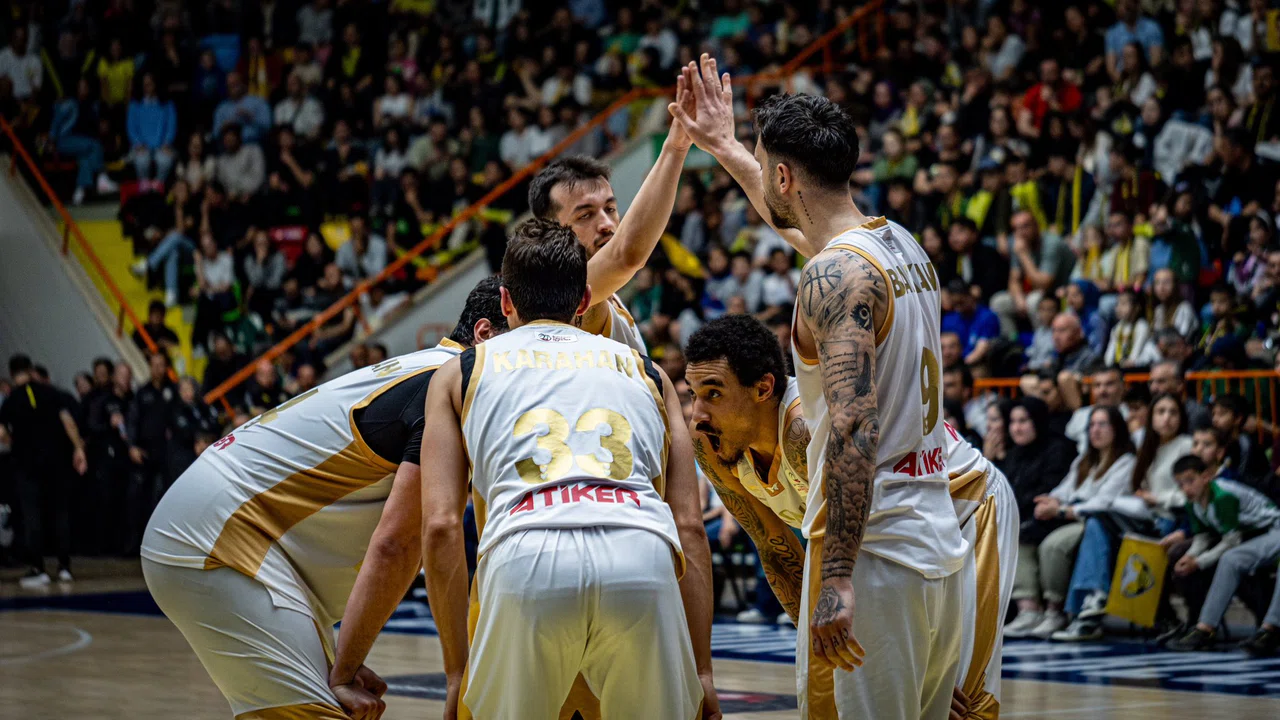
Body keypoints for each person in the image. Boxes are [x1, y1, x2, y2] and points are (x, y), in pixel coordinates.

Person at [669, 58, 966, 719]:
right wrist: (726, 146)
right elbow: (797, 225)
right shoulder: (900, 247)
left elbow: (855, 427)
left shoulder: (832, 277)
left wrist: (835, 577)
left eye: (764, 166)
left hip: (876, 553)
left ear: (783, 176)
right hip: (936, 536)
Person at [140, 277, 508, 719]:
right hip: (219, 534)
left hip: (253, 539)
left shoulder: (427, 369)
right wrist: (348, 670)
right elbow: (399, 544)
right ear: (485, 334)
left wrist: (345, 656)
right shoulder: (450, 386)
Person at [413, 220, 717, 719]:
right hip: (640, 554)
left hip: (526, 558)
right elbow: (688, 524)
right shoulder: (649, 372)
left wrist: (455, 672)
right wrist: (701, 670)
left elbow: (443, 524)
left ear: (505, 301)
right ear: (584, 299)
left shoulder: (459, 373)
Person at [686, 314, 1019, 718]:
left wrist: (917, 664)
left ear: (763, 389)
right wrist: (822, 632)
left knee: (966, 702)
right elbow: (775, 551)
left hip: (964, 502)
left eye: (713, 394)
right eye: (692, 393)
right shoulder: (710, 444)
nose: (697, 413)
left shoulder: (805, 433)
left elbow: (878, 553)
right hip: (888, 529)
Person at [526, 120, 692, 353]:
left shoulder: (607, 292)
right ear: (548, 230)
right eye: (585, 215)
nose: (606, 224)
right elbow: (627, 256)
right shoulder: (557, 291)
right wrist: (675, 148)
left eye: (610, 209)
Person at [1165, 455, 1280, 656]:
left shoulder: (1223, 496)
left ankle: (1271, 630)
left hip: (1273, 528)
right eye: (1181, 484)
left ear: (1206, 477)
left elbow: (1230, 541)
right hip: (1257, 535)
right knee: (1230, 559)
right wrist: (1190, 556)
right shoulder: (1193, 503)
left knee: (1231, 556)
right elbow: (1202, 537)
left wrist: (1199, 563)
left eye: (1190, 481)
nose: (1186, 488)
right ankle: (1205, 629)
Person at [0, 354, 88, 587]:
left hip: (27, 466)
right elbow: (68, 422)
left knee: (32, 515)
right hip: (56, 463)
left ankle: (38, 568)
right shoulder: (52, 393)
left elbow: (2, 433)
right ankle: (64, 567)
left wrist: (12, 441)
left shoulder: (11, 400)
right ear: (31, 370)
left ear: (12, 373)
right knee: (60, 513)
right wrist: (78, 448)